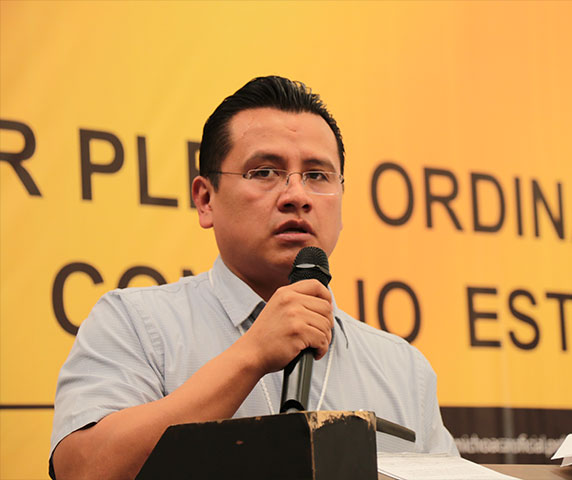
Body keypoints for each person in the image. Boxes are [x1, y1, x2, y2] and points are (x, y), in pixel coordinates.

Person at [50, 76, 458, 479]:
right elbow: (82, 470)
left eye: (317, 175)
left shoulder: (402, 367)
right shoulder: (135, 323)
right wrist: (252, 354)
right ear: (205, 200)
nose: (297, 196)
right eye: (264, 172)